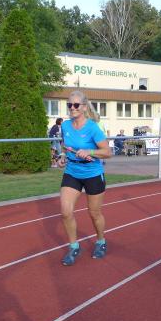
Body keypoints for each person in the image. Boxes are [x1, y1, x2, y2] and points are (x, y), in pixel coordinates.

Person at [56, 91, 112, 266]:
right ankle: (74, 246)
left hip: (92, 174)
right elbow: (65, 146)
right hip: (72, 171)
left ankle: (101, 241)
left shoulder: (92, 128)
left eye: (76, 105)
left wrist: (90, 151)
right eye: (69, 105)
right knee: (66, 212)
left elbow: (107, 152)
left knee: (94, 213)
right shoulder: (65, 126)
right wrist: (62, 156)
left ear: (84, 107)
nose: (72, 108)